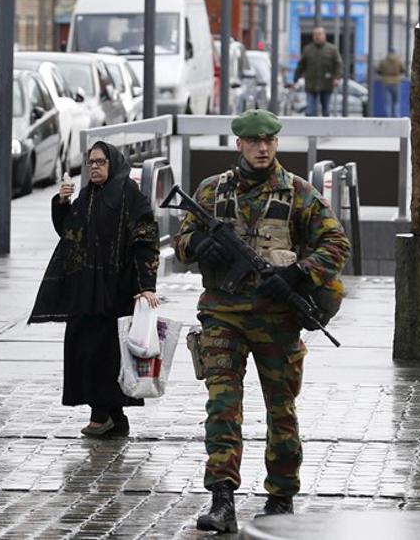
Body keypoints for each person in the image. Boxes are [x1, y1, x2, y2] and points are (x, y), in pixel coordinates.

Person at [175, 109, 350, 531]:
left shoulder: (299, 193)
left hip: (277, 320)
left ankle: (281, 496)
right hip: (222, 315)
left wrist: (298, 272)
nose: (262, 148)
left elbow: (336, 243)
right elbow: (180, 241)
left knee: (281, 409)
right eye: (254, 142)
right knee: (222, 406)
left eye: (269, 141)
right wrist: (199, 244)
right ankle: (221, 499)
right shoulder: (212, 192)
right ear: (239, 144)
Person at [29, 141, 160, 438]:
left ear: (113, 163)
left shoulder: (129, 196)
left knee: (108, 357)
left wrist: (146, 286)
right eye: (91, 163)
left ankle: (105, 417)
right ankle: (111, 416)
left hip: (116, 293)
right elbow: (69, 234)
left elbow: (145, 240)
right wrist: (61, 205)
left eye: (101, 162)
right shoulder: (86, 196)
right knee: (84, 353)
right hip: (85, 292)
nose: (95, 167)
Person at [293, 27, 342, 117]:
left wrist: (336, 78)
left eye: (319, 34)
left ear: (324, 35)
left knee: (326, 109)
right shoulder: (307, 49)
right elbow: (301, 65)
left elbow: (338, 64)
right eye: (315, 34)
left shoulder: (332, 49)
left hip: (326, 84)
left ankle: (325, 128)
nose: (317, 37)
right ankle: (309, 128)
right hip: (311, 84)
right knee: (310, 110)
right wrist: (295, 79)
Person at [375, 49, 406, 117]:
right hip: (396, 81)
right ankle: (396, 115)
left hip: (386, 81)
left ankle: (388, 116)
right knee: (396, 101)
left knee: (387, 101)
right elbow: (403, 70)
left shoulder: (383, 61)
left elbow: (378, 70)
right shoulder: (398, 61)